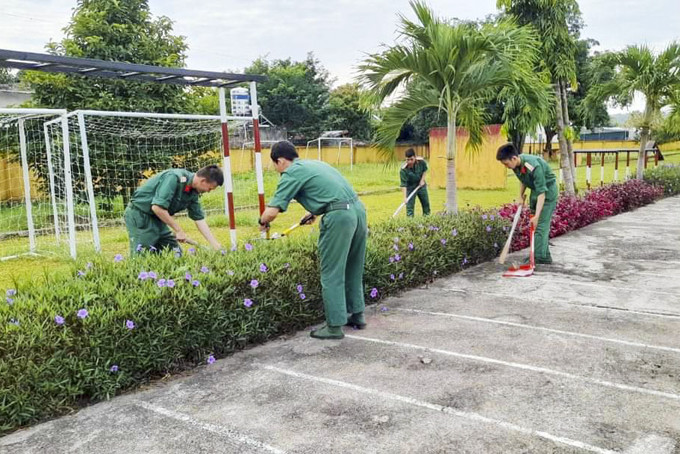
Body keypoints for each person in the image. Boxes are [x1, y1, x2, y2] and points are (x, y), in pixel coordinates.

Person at [259, 141, 367, 340]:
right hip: (358, 211)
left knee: (331, 273)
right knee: (353, 266)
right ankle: (358, 315)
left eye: (275, 165)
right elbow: (329, 192)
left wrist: (262, 221)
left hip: (340, 218)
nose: (276, 170)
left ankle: (334, 327)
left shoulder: (291, 172)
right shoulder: (315, 164)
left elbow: (272, 212)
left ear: (281, 161)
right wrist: (315, 212)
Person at [124, 165, 223, 254]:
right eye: (210, 188)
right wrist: (178, 230)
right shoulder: (174, 177)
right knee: (142, 253)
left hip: (158, 219)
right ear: (203, 181)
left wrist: (214, 244)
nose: (208, 192)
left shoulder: (193, 192)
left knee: (175, 253)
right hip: (140, 215)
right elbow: (157, 207)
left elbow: (199, 219)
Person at [496, 143, 557, 265]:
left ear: (514, 158)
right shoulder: (516, 165)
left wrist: (537, 216)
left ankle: (538, 258)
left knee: (540, 225)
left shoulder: (533, 166)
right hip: (535, 191)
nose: (506, 167)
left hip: (547, 193)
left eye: (506, 164)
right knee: (534, 226)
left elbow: (542, 193)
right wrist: (520, 196)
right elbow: (523, 180)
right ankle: (544, 257)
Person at [400, 148, 430, 217]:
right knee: (409, 208)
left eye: (411, 159)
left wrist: (422, 180)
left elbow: (424, 170)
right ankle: (410, 222)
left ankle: (427, 219)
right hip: (410, 187)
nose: (409, 161)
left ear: (415, 157)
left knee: (426, 204)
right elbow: (403, 185)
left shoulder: (421, 162)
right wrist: (405, 198)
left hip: (421, 186)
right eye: (407, 159)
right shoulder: (403, 170)